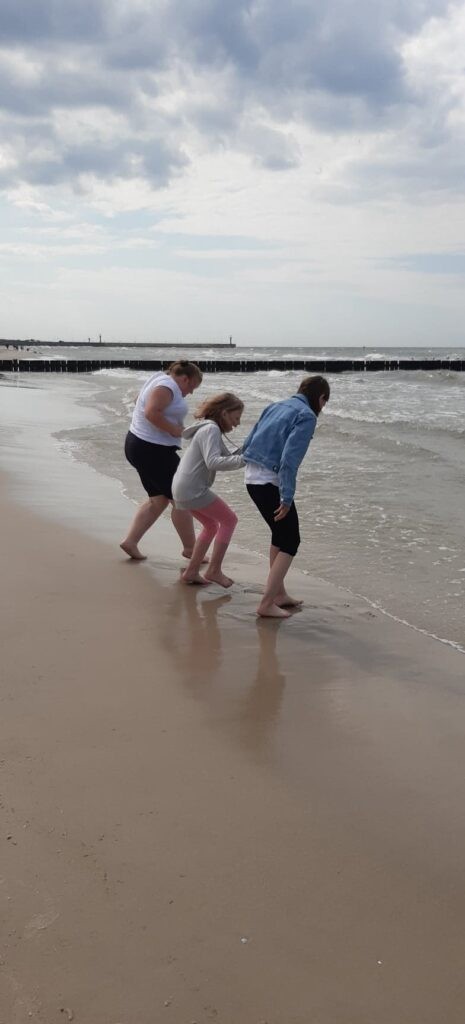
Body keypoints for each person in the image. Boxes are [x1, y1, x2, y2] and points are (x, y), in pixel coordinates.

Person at [242, 375, 330, 618]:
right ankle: (266, 603)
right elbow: (289, 459)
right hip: (269, 481)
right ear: (321, 397)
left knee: (280, 536)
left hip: (251, 478)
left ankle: (278, 595)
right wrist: (287, 497)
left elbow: (248, 441)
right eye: (325, 402)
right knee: (291, 541)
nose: (323, 407)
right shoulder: (307, 416)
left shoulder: (275, 405)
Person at [120, 360, 203, 560]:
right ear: (185, 379)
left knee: (158, 500)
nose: (191, 392)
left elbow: (138, 401)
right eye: (192, 387)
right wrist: (175, 430)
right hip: (152, 450)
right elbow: (150, 412)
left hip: (140, 445)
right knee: (181, 499)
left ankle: (130, 542)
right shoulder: (168, 386)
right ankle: (191, 549)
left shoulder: (159, 378)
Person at [172, 393, 244, 587]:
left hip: (182, 488)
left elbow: (227, 456)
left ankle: (191, 571)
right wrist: (245, 460)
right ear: (224, 413)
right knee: (230, 520)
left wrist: (249, 448)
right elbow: (213, 462)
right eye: (236, 418)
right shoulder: (211, 429)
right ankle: (214, 570)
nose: (237, 423)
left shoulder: (209, 428)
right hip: (193, 489)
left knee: (211, 525)